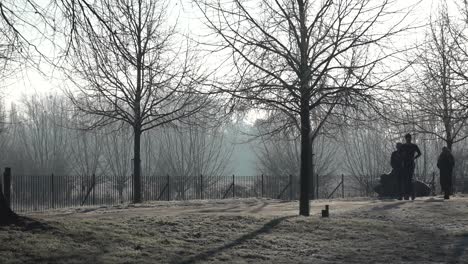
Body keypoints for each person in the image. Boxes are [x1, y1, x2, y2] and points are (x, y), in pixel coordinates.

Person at [400, 133, 421, 200]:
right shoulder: (403, 146)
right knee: (405, 179)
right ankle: (406, 194)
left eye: (409, 138)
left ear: (410, 138)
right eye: (407, 138)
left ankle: (412, 194)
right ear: (406, 139)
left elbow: (419, 153)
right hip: (405, 164)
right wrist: (402, 156)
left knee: (410, 179)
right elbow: (399, 153)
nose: (408, 139)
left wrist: (414, 158)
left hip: (411, 163)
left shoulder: (414, 146)